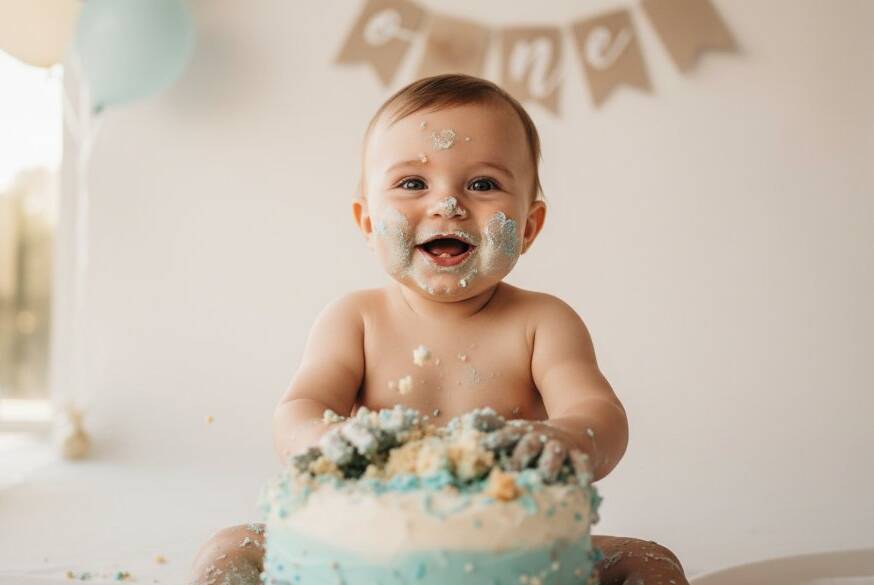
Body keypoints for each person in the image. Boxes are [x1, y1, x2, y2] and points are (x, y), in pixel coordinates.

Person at [191, 74, 689, 585]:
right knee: (227, 550)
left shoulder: (543, 323)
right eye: (413, 184)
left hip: (511, 550)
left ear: (529, 226)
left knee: (650, 561)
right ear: (367, 223)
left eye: (483, 185)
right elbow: (298, 410)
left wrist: (564, 440)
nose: (448, 205)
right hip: (366, 548)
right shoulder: (356, 320)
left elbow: (600, 414)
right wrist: (327, 438)